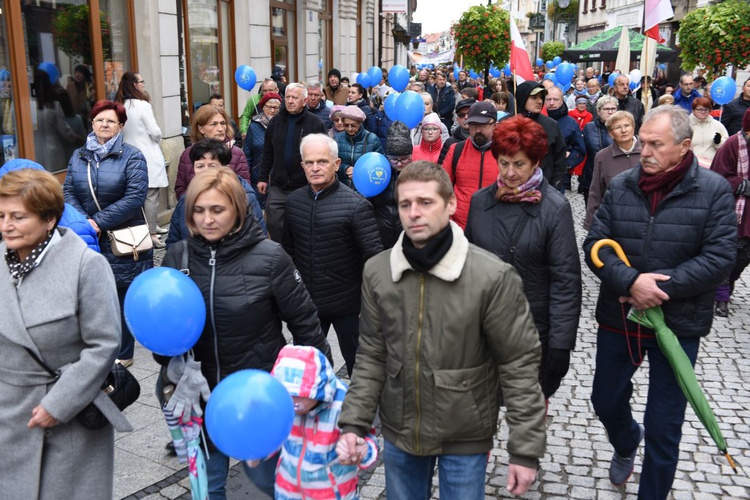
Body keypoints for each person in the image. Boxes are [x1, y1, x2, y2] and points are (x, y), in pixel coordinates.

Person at [337, 160, 546, 499]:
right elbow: (372, 355)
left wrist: (524, 451)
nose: (413, 213)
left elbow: (518, 363)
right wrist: (355, 423)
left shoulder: (491, 276)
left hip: (465, 432)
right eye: (405, 204)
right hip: (400, 429)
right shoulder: (378, 271)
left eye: (425, 202)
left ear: (450, 205)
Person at [583, 105, 736, 498]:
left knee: (665, 425)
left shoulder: (715, 190)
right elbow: (595, 247)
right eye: (643, 142)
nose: (643, 150)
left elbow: (720, 258)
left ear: (685, 147)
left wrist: (659, 288)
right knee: (605, 399)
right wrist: (632, 281)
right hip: (620, 318)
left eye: (655, 144)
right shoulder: (621, 186)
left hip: (679, 324)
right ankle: (625, 440)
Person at [161, 167, 332, 499]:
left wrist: (314, 390)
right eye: (199, 210)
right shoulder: (177, 258)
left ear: (237, 209)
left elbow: (306, 326)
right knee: (208, 490)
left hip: (259, 398)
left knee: (279, 487)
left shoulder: (270, 258)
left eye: (217, 210)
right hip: (200, 399)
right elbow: (163, 334)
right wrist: (173, 366)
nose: (207, 219)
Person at [0, 168, 124, 499]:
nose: (6, 225)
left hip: (66, 419)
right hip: (8, 417)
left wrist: (60, 402)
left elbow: (105, 343)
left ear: (49, 219)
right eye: (2, 215)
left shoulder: (85, 265)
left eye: (18, 216)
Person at [465, 115, 581, 401]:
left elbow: (565, 280)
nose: (510, 173)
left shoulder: (554, 208)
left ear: (535, 163)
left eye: (519, 164)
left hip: (531, 331)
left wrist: (560, 345)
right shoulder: (481, 202)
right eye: (504, 162)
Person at [282, 134, 383, 375]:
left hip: (348, 306)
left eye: (322, 162)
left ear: (337, 164)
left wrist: (369, 303)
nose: (315, 168)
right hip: (308, 305)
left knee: (359, 368)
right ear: (302, 165)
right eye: (309, 162)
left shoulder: (357, 206)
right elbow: (287, 254)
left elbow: (374, 259)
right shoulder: (294, 202)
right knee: (308, 372)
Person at [64, 100, 152, 368]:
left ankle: (124, 353)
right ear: (92, 123)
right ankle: (99, 349)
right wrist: (84, 221)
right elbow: (68, 191)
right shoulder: (79, 156)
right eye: (100, 120)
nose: (104, 124)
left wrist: (98, 221)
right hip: (88, 237)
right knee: (96, 297)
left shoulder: (133, 156)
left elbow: (135, 197)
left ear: (121, 126)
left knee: (121, 296)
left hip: (123, 239)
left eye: (111, 121)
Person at [258, 345, 379, 499]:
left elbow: (370, 442)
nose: (292, 403)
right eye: (287, 394)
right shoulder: (283, 405)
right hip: (288, 492)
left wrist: (362, 451)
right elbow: (273, 438)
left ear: (316, 389)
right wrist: (258, 450)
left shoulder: (344, 405)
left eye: (298, 395)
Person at [257, 83, 327, 241]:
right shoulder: (275, 122)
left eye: (294, 97)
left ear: (304, 101)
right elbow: (268, 152)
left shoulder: (315, 123)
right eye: (287, 97)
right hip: (279, 185)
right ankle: (281, 253)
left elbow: (325, 154)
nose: (290, 101)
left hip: (305, 185)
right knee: (273, 221)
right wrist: (262, 177)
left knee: (302, 225)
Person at [167, 138, 265, 247]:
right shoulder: (186, 199)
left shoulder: (245, 197)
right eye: (200, 166)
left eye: (212, 166)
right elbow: (174, 242)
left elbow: (259, 240)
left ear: (226, 168)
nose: (205, 171)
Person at [115, 71, 169, 248]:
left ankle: (148, 228)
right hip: (147, 154)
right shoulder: (142, 105)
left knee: (136, 195)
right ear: (135, 85)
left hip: (127, 155)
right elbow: (155, 132)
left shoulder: (120, 105)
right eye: (142, 81)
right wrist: (158, 137)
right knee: (151, 196)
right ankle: (151, 233)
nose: (144, 84)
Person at [0, 159, 99, 251]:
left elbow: (87, 265)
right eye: (1, 216)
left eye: (18, 217)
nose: (4, 227)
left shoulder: (74, 228)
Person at [710, 108, 750, 317]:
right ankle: (721, 298)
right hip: (733, 210)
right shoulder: (732, 145)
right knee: (728, 254)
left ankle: (728, 284)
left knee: (743, 258)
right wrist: (743, 185)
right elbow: (717, 177)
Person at [441, 100, 498, 229]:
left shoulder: (506, 153)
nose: (478, 130)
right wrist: (448, 223)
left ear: (495, 125)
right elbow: (442, 189)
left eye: (483, 125)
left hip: (494, 229)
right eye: (473, 125)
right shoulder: (456, 150)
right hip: (460, 228)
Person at [175, 104, 250, 199]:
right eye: (214, 124)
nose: (220, 129)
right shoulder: (188, 154)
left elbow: (245, 187)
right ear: (201, 129)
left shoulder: (237, 153)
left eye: (223, 123)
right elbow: (180, 188)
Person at [583, 111, 641, 230]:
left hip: (642, 219)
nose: (623, 130)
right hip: (614, 220)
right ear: (611, 133)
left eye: (627, 126)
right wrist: (591, 224)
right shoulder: (603, 157)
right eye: (618, 127)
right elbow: (596, 192)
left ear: (633, 128)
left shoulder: (647, 152)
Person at [511, 81, 568, 191]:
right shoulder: (507, 123)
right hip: (513, 188)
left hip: (544, 188)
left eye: (541, 97)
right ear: (523, 98)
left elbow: (560, 158)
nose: (539, 101)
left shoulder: (551, 125)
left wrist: (555, 185)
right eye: (534, 97)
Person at [369, 121, 412, 248]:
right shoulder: (378, 172)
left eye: (404, 159)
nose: (399, 163)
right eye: (394, 159)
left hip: (407, 230)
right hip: (381, 230)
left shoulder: (417, 174)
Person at [34, 68, 84, 173]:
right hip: (53, 152)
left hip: (33, 151)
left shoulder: (26, 107)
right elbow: (64, 130)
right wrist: (77, 139)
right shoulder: (54, 106)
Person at [242, 91, 281, 207]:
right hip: (257, 176)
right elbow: (247, 154)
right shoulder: (254, 126)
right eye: (269, 107)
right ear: (263, 107)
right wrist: (246, 178)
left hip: (278, 178)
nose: (273, 111)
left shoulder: (283, 124)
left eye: (276, 108)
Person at [545, 86, 586, 192]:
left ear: (562, 100)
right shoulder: (537, 120)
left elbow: (580, 150)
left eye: (556, 99)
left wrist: (565, 164)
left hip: (559, 178)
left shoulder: (570, 123)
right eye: (548, 99)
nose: (552, 103)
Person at [333, 106, 384, 188]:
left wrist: (360, 171)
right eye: (346, 125)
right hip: (342, 187)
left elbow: (380, 165)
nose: (349, 129)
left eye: (353, 125)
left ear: (360, 124)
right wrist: (344, 169)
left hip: (365, 187)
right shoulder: (337, 139)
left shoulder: (372, 139)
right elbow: (331, 163)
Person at [581, 96, 617, 203]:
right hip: (592, 176)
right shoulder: (589, 128)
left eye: (613, 109)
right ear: (598, 111)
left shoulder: (622, 127)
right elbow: (581, 148)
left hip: (614, 176)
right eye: (606, 109)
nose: (610, 112)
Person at [690, 96, 729, 168]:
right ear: (693, 110)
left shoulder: (718, 125)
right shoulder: (686, 125)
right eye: (700, 109)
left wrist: (719, 142)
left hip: (712, 164)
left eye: (706, 109)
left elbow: (726, 149)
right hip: (691, 164)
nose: (703, 112)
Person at [439, 98, 475, 164]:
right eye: (461, 115)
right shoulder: (450, 143)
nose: (466, 117)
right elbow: (442, 171)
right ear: (457, 119)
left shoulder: (486, 140)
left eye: (470, 113)